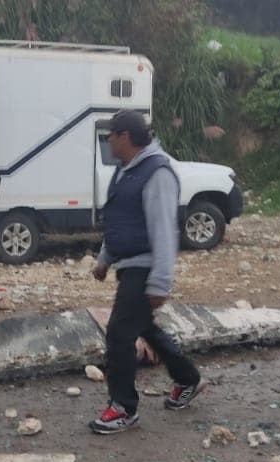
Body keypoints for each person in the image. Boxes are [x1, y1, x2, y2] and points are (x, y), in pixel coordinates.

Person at [88, 110, 204, 435]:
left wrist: (160, 281)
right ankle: (188, 379)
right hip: (129, 266)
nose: (108, 140)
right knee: (144, 329)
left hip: (145, 268)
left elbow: (164, 230)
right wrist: (104, 259)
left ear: (125, 136)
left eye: (111, 134)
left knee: (119, 335)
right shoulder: (125, 171)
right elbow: (121, 221)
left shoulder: (157, 173)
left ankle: (123, 408)